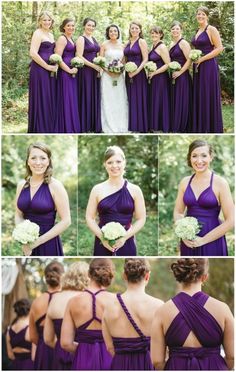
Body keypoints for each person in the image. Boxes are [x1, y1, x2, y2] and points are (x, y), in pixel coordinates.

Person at [151, 258, 234, 370]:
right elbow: (232, 356)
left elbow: (157, 361)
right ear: (205, 277)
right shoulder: (223, 309)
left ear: (179, 276)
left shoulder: (162, 311)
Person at [174, 139, 234, 256]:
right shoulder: (184, 182)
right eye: (194, 156)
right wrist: (183, 234)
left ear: (211, 157)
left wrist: (203, 240)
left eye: (204, 156)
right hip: (189, 241)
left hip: (212, 239)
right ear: (190, 158)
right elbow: (178, 211)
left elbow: (231, 221)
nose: (199, 161)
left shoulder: (220, 183)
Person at [103, 258, 163, 370]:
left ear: (124, 276)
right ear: (147, 276)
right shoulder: (158, 306)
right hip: (148, 364)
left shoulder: (109, 306)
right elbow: (164, 348)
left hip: (120, 364)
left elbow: (109, 348)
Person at [86, 146, 146, 256]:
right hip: (102, 241)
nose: (114, 166)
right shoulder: (97, 189)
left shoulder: (135, 190)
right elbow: (90, 217)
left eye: (118, 161)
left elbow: (141, 218)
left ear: (124, 163)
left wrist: (125, 237)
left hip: (127, 240)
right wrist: (102, 238)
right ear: (105, 164)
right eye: (110, 162)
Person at [15, 142, 71, 256]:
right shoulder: (21, 185)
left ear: (48, 161)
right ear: (28, 161)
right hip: (26, 244)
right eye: (33, 158)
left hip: (48, 242)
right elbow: (18, 214)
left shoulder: (55, 186)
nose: (38, 162)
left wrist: (36, 242)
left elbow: (66, 221)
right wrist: (22, 236)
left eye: (43, 158)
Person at [61, 258, 115, 370]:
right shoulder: (116, 300)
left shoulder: (73, 302)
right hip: (111, 359)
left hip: (83, 359)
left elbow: (65, 343)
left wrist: (83, 349)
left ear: (89, 274)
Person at [44, 261, 89, 370]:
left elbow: (48, 339)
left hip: (60, 356)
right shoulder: (87, 299)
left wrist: (61, 349)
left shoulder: (55, 299)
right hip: (85, 355)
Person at [192, 6, 224, 133]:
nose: (200, 16)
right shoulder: (197, 30)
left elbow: (219, 48)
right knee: (199, 93)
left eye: (202, 14)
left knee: (207, 93)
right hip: (197, 65)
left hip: (208, 65)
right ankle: (201, 125)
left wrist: (202, 59)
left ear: (207, 16)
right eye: (198, 14)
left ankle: (210, 125)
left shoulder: (211, 29)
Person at [29, 261, 64, 370]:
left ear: (46, 278)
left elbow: (33, 336)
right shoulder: (67, 300)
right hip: (63, 350)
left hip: (42, 352)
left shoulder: (36, 302)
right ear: (62, 277)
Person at [28, 11, 57, 133]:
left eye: (49, 20)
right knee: (41, 96)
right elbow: (33, 53)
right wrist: (46, 66)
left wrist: (55, 63)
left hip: (50, 69)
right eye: (44, 20)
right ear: (40, 21)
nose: (47, 22)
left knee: (49, 97)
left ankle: (48, 125)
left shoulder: (51, 35)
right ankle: (40, 126)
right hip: (40, 70)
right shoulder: (37, 33)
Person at [100, 24, 128, 133]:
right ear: (108, 33)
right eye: (111, 31)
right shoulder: (104, 45)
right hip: (107, 76)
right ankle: (108, 124)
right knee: (108, 98)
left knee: (119, 99)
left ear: (118, 33)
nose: (113, 33)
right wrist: (108, 71)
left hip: (119, 76)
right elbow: (100, 61)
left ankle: (120, 124)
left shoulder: (123, 46)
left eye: (115, 31)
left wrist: (119, 70)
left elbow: (124, 61)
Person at [54, 18, 81, 133]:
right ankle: (65, 126)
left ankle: (71, 124)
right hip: (65, 73)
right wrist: (69, 71)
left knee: (71, 98)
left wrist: (76, 66)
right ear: (64, 27)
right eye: (68, 25)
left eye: (73, 26)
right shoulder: (62, 38)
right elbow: (58, 58)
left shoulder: (71, 39)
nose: (71, 28)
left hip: (72, 72)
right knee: (66, 98)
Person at [76, 18, 101, 132]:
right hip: (86, 70)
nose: (90, 27)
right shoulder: (81, 39)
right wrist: (93, 65)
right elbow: (79, 56)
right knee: (86, 95)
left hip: (95, 69)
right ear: (84, 26)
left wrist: (99, 64)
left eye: (93, 26)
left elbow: (97, 53)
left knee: (93, 95)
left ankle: (92, 124)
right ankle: (85, 124)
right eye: (88, 25)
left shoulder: (94, 39)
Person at [124, 21, 148, 132]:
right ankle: (132, 125)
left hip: (139, 74)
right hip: (128, 74)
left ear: (140, 30)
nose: (134, 30)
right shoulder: (127, 43)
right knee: (130, 98)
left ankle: (140, 125)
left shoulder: (141, 41)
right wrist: (116, 66)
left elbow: (145, 59)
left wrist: (137, 71)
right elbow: (124, 58)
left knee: (139, 98)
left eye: (136, 28)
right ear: (129, 29)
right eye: (132, 28)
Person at [169, 21, 192, 132]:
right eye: (173, 29)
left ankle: (181, 125)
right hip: (173, 76)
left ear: (181, 30)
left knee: (181, 101)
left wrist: (180, 72)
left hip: (182, 77)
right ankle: (175, 124)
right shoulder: (171, 44)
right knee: (175, 101)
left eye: (177, 29)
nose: (175, 31)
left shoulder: (184, 43)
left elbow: (189, 60)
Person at [148, 26, 170, 132]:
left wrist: (155, 73)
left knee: (160, 100)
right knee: (155, 99)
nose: (154, 35)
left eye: (156, 33)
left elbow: (167, 64)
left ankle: (161, 125)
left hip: (161, 77)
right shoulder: (153, 46)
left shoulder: (162, 47)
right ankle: (154, 125)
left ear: (160, 34)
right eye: (152, 33)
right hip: (153, 78)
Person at [6, 299, 34, 370]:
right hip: (29, 366)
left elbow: (10, 355)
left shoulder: (9, 330)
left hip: (14, 366)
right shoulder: (31, 329)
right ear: (30, 311)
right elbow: (35, 355)